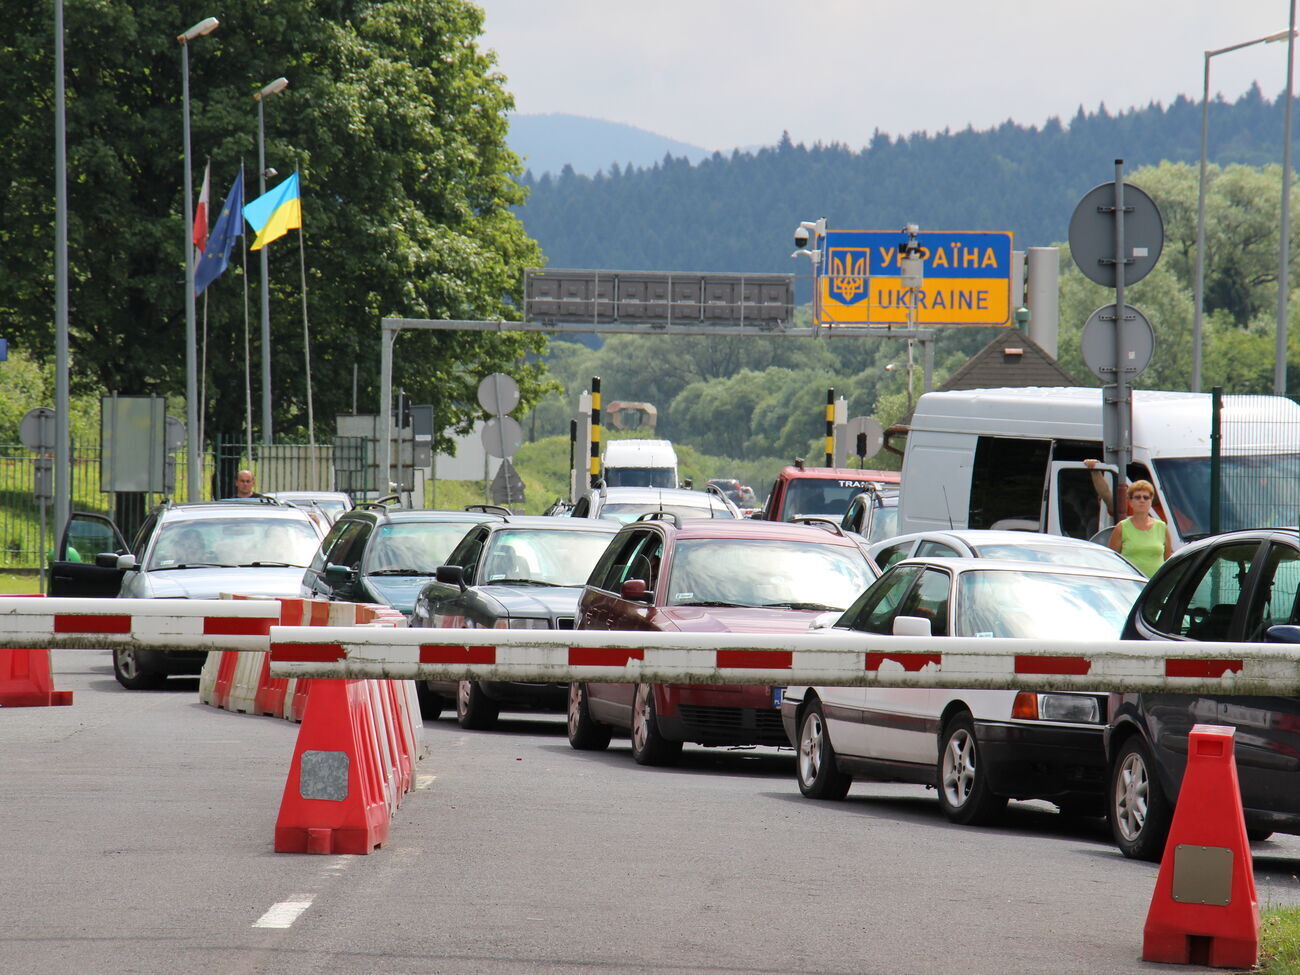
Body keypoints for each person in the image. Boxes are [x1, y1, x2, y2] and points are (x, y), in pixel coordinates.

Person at [1105, 478, 1172, 577]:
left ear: (1151, 501)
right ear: (1130, 501)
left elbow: (1168, 560)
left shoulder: (1162, 527)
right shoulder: (1122, 527)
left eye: (1146, 497)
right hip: (1130, 584)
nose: (1142, 500)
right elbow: (1112, 560)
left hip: (1155, 585)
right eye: (1137, 497)